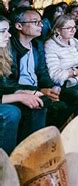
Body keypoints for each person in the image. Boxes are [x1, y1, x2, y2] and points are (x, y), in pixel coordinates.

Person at [9, 7, 78, 128]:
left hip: (38, 88)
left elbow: (42, 72)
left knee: (74, 96)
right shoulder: (10, 48)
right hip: (20, 90)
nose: (41, 25)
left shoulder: (37, 45)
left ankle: (51, 131)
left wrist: (51, 87)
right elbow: (9, 82)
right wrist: (39, 91)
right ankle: (36, 140)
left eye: (40, 22)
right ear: (19, 26)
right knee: (44, 103)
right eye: (35, 22)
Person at [0, 15, 46, 154]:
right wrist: (19, 96)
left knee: (38, 101)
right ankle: (5, 166)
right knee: (11, 112)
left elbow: (4, 87)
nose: (8, 35)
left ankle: (30, 154)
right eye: (3, 31)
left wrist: (25, 93)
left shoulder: (3, 53)